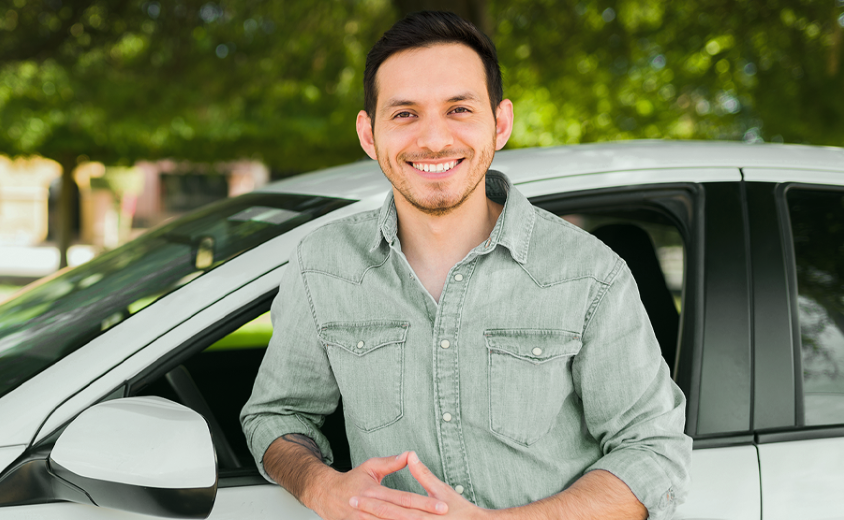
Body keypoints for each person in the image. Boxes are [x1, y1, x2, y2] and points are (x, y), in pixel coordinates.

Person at [239, 11, 690, 520]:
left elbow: (653, 453)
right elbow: (278, 415)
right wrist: (319, 485)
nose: (433, 140)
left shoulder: (590, 274)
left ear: (500, 123)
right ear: (369, 134)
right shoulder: (321, 265)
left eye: (459, 109)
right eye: (405, 114)